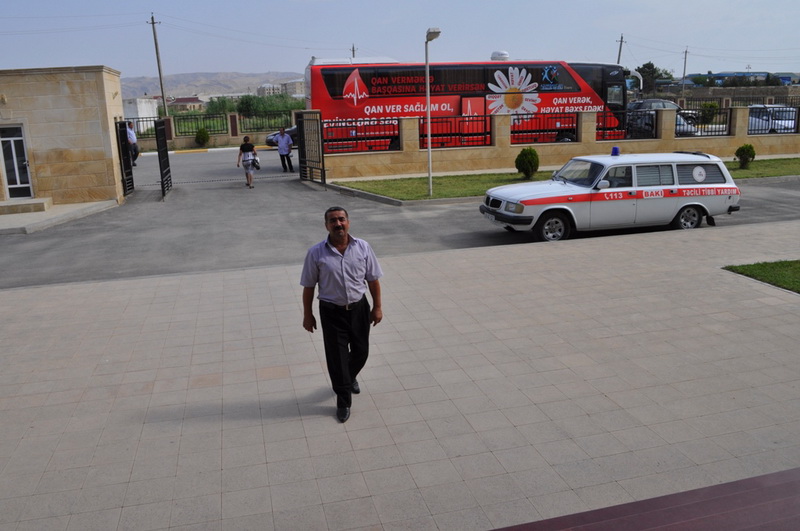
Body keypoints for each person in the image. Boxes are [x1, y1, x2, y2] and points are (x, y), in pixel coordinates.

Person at [300, 207, 383, 423]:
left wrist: (377, 307)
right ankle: (344, 401)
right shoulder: (316, 253)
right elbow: (309, 287)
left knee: (361, 352)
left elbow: (373, 280)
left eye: (341, 219)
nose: (338, 224)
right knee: (337, 358)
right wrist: (307, 315)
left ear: (348, 222)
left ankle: (349, 376)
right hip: (331, 312)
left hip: (359, 309)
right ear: (326, 225)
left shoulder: (362, 247)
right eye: (333, 221)